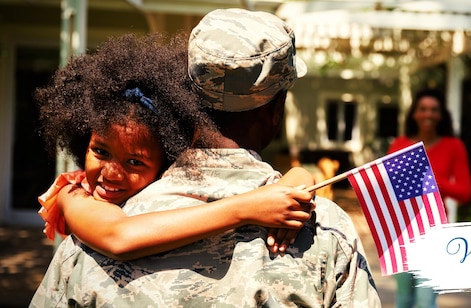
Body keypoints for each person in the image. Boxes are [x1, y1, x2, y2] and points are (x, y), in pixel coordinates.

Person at [31, 8, 381, 307]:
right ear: (276, 109)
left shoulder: (93, 224)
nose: (112, 171)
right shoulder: (320, 227)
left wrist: (297, 176)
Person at [388, 88, 471, 308]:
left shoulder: (454, 146)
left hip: (434, 234)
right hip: (401, 233)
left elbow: (465, 193)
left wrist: (432, 178)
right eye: (423, 109)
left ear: (441, 115)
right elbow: (388, 189)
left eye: (434, 110)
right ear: (414, 114)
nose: (428, 114)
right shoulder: (399, 145)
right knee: (404, 300)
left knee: (426, 302)